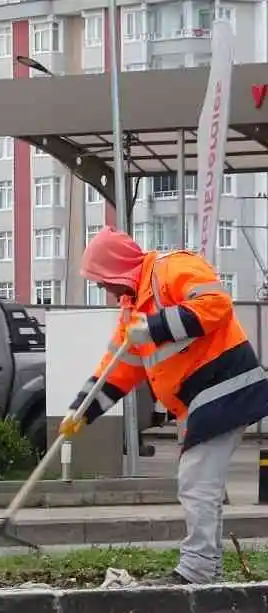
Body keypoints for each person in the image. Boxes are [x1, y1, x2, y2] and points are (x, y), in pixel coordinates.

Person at [66, 228, 268, 586]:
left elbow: (216, 306)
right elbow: (116, 369)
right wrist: (82, 410)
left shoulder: (172, 269)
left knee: (196, 482)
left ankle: (198, 568)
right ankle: (208, 568)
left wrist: (156, 326)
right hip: (202, 401)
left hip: (224, 390)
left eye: (104, 283)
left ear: (117, 270)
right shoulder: (134, 311)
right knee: (201, 483)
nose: (107, 293)